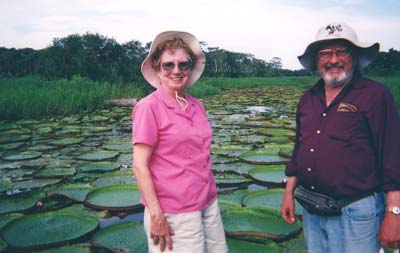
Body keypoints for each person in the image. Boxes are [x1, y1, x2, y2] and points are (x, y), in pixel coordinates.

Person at [280, 22, 400, 253]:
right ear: (317, 60)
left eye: (341, 51)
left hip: (357, 210)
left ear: (354, 57)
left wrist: (394, 213)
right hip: (312, 208)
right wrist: (288, 194)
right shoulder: (308, 98)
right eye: (325, 53)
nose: (333, 59)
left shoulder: (375, 95)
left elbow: (393, 157)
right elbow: (299, 150)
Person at [132, 31, 227, 253]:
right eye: (168, 65)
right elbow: (139, 165)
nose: (176, 71)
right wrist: (156, 215)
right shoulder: (149, 107)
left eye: (183, 65)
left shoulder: (197, 105)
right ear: (157, 67)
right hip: (173, 212)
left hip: (208, 202)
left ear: (190, 68)